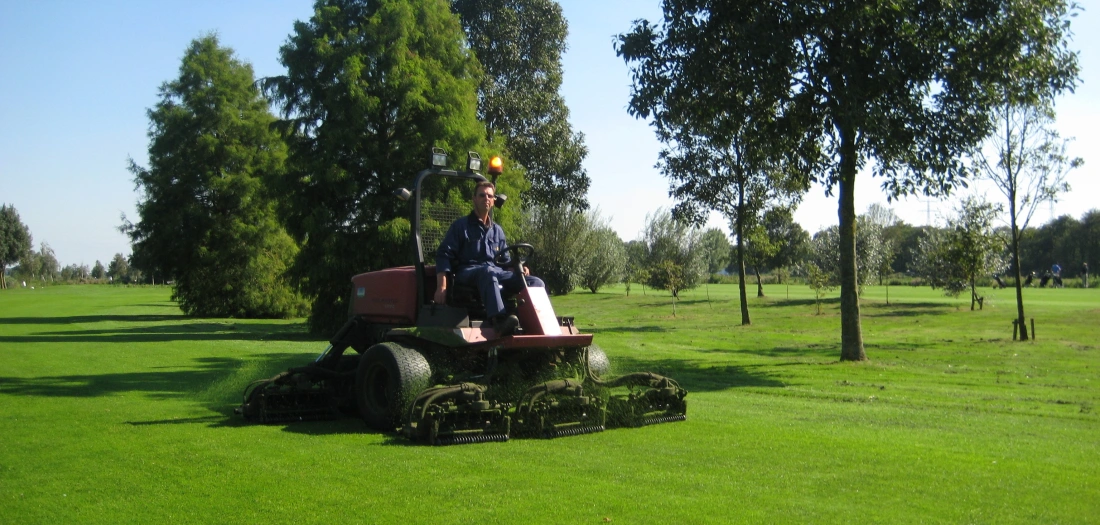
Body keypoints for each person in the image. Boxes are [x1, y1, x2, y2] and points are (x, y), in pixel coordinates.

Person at [434, 181, 544, 335]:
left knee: (535, 282)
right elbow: (443, 255)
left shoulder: (497, 230)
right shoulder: (460, 226)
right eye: (482, 195)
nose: (486, 198)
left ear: (493, 201)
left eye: (490, 196)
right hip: (468, 273)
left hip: (494, 272)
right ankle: (499, 321)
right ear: (474, 199)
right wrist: (442, 287)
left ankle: (531, 319)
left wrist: (518, 268)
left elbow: (504, 261)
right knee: (488, 271)